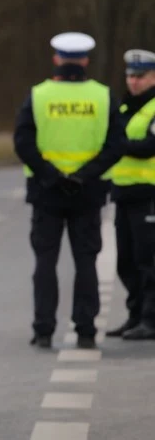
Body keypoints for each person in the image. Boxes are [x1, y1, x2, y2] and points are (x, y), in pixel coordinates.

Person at [13, 32, 125, 350]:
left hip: (47, 192)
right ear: (86, 61)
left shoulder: (39, 95)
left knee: (45, 262)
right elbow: (116, 145)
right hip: (87, 193)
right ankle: (86, 331)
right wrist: (83, 176)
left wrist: (51, 175)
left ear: (57, 59)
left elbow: (23, 141)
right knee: (86, 262)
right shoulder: (103, 96)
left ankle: (44, 330)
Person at [107, 49, 155, 339]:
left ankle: (151, 319)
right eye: (130, 76)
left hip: (149, 193)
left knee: (148, 260)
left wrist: (118, 144)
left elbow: (149, 147)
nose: (134, 82)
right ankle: (135, 314)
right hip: (124, 193)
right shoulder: (125, 106)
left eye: (141, 76)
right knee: (126, 259)